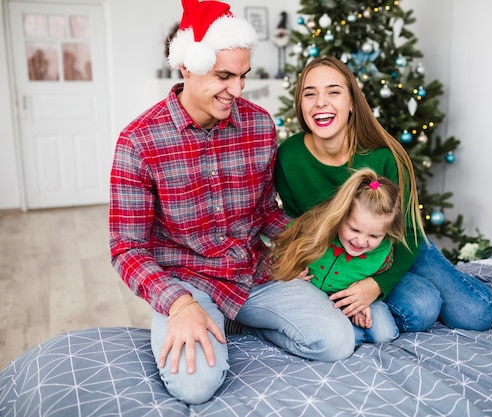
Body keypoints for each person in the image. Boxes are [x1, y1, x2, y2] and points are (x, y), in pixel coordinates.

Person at [109, 2, 353, 405]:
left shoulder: (258, 124)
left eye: (242, 76)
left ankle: (239, 323)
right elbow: (126, 248)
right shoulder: (138, 142)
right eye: (223, 76)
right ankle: (208, 317)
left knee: (336, 341)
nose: (237, 90)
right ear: (187, 66)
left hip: (253, 273)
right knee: (195, 386)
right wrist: (179, 304)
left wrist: (305, 243)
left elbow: (264, 212)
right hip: (189, 282)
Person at [274, 56, 492, 334]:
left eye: (333, 91)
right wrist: (292, 264)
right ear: (301, 104)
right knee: (421, 307)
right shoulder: (289, 157)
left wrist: (376, 286)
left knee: (478, 314)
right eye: (310, 94)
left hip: (399, 244)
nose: (320, 102)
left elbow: (410, 232)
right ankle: (417, 287)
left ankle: (430, 278)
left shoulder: (384, 156)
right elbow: (294, 223)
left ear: (352, 103)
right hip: (342, 257)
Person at [273, 168, 404, 345]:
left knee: (384, 334)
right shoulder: (314, 227)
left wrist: (362, 303)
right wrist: (290, 269)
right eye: (354, 229)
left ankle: (352, 326)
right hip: (312, 295)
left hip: (353, 297)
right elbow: (283, 246)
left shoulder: (383, 252)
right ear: (341, 215)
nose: (361, 241)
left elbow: (378, 279)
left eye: (374, 236)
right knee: (347, 337)